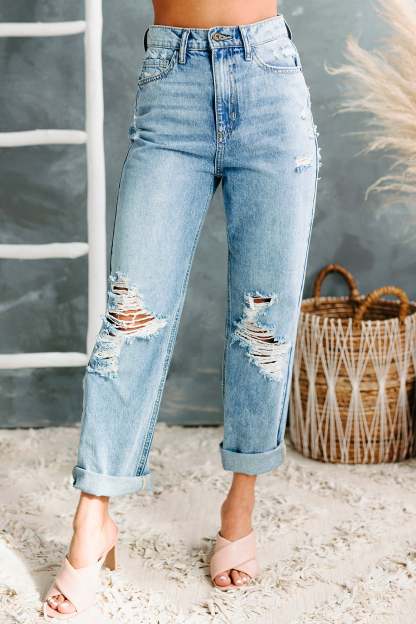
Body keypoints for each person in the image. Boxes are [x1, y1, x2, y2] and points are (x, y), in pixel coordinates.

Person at [43, 0, 319, 617]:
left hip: (269, 79)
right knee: (130, 317)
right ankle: (93, 516)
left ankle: (240, 506)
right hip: (173, 84)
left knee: (264, 322)